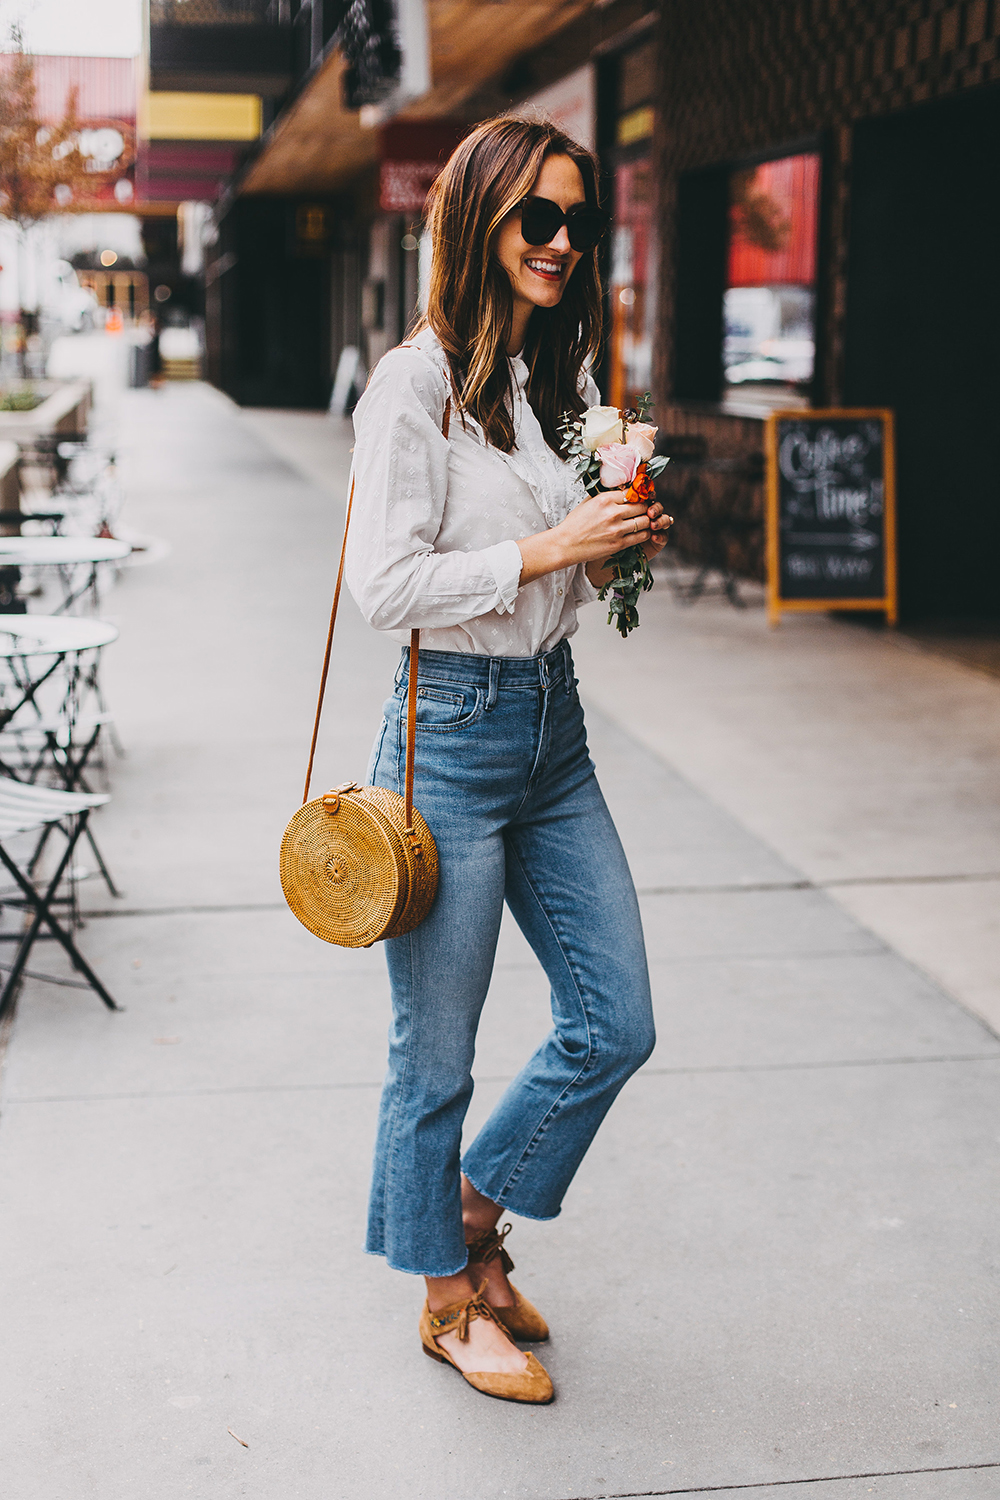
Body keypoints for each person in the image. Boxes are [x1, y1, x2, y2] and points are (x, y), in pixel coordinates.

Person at [346, 116, 672, 1404]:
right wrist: (545, 549)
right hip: (452, 743)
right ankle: (441, 1299)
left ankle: (472, 1221)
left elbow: (563, 562)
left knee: (617, 1021)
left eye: (577, 222)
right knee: (437, 1051)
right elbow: (384, 583)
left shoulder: (560, 389)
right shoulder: (412, 388)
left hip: (553, 726)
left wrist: (619, 537)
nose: (557, 243)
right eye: (535, 217)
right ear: (475, 221)